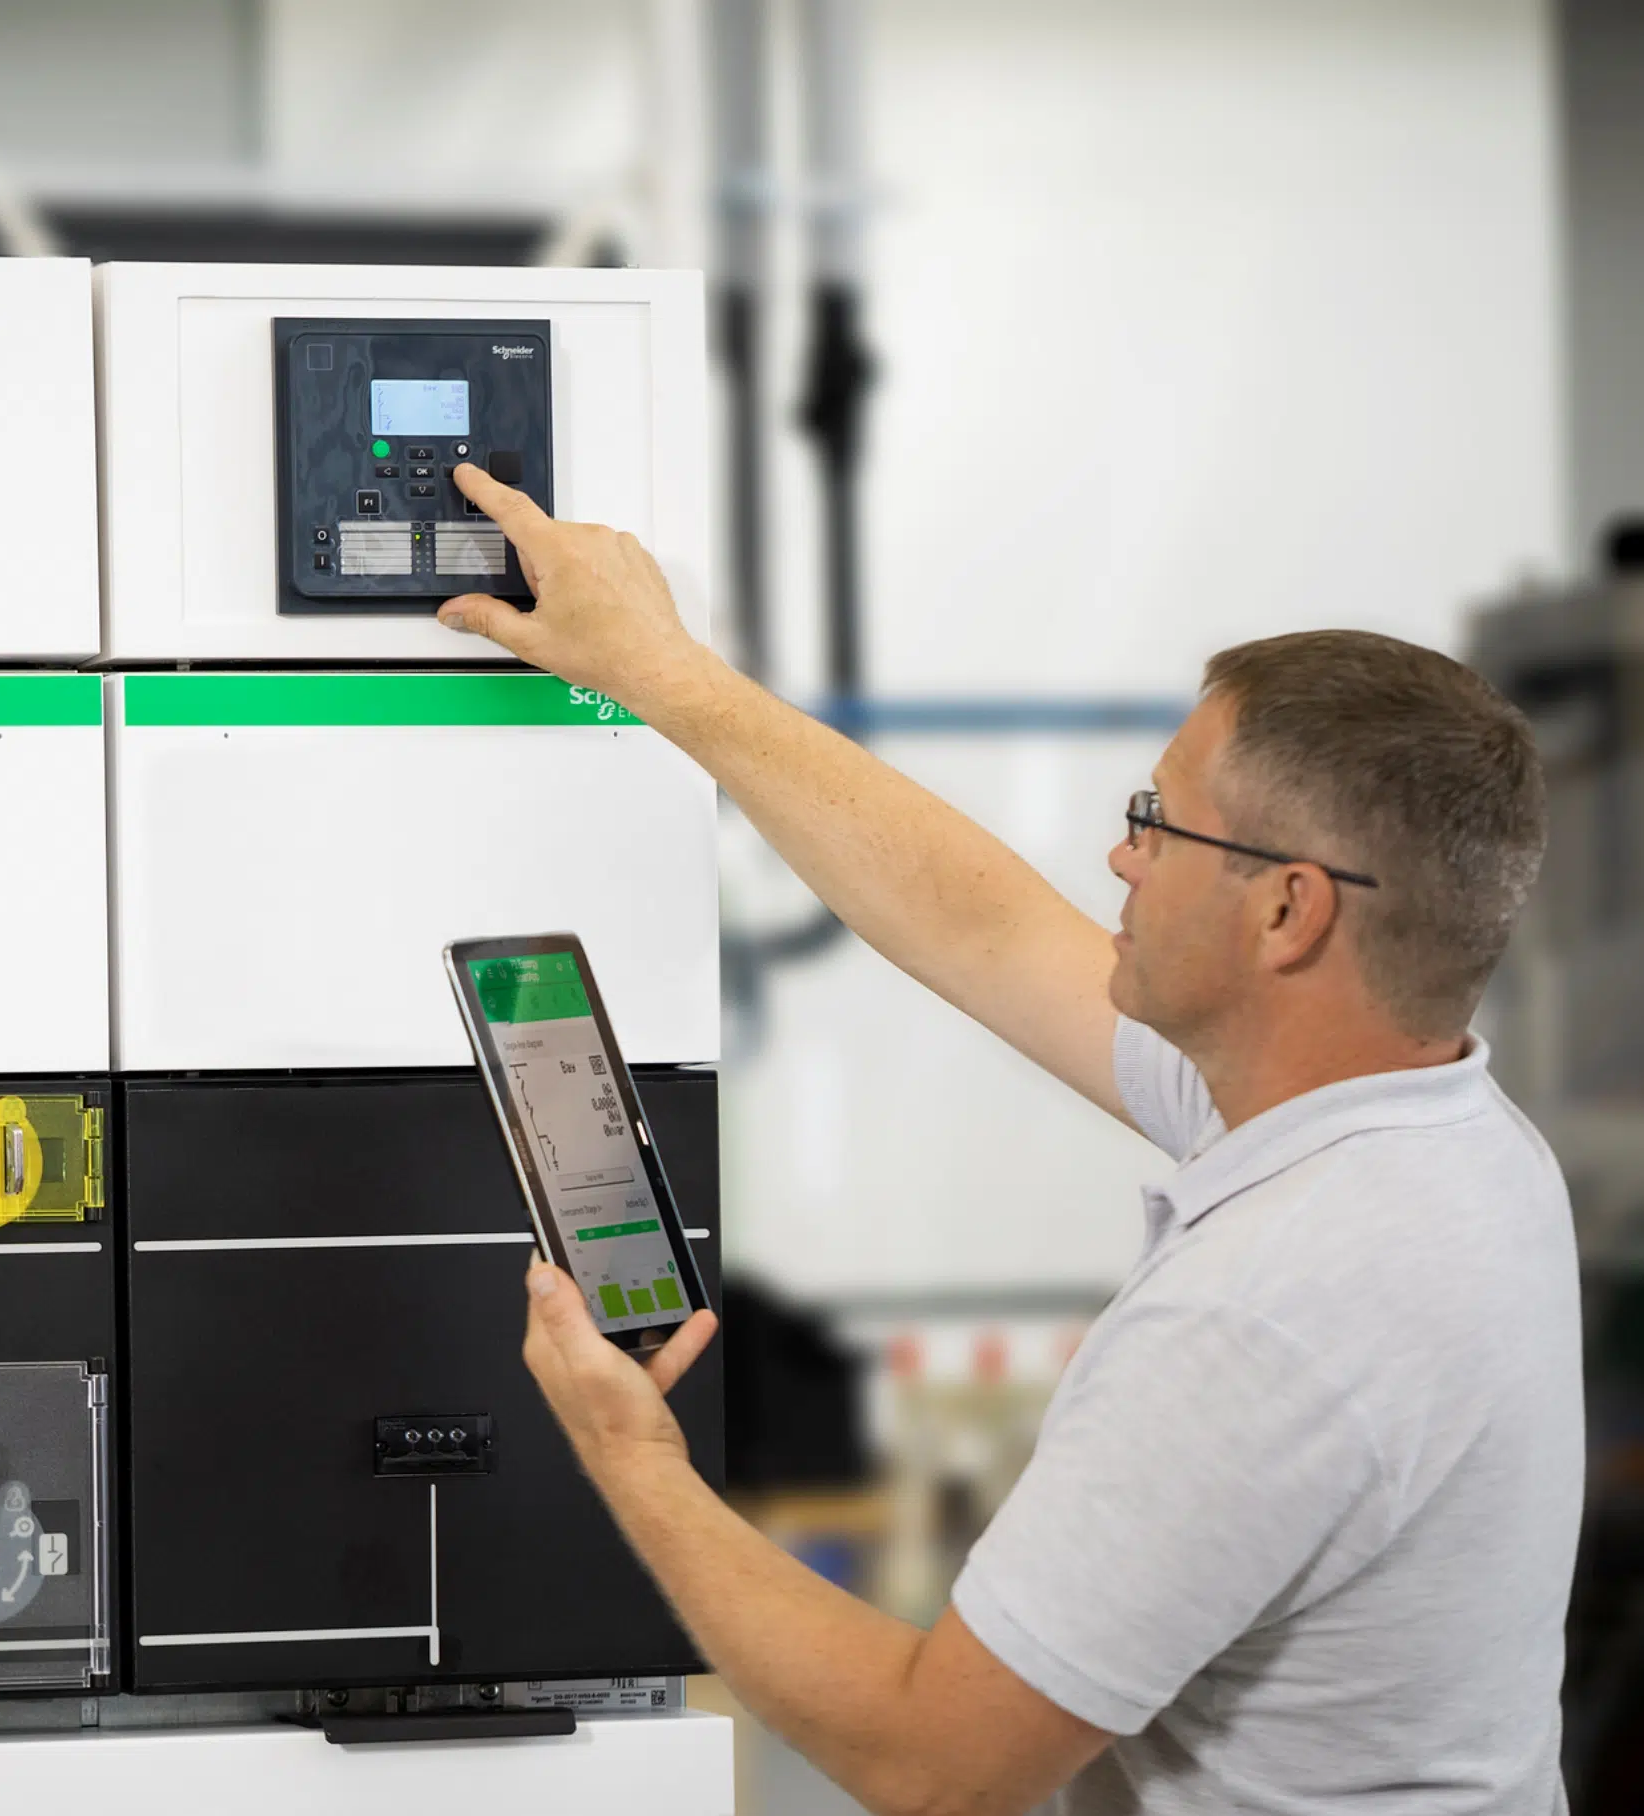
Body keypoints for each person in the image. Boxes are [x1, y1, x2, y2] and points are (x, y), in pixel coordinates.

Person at [437, 462, 1579, 1816]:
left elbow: (936, 1766)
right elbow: (983, 926)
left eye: (1158, 823)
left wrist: (632, 1457)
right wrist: (667, 675)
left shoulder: (1267, 1317)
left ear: (1287, 914)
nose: (1121, 858)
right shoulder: (1441, 1136)